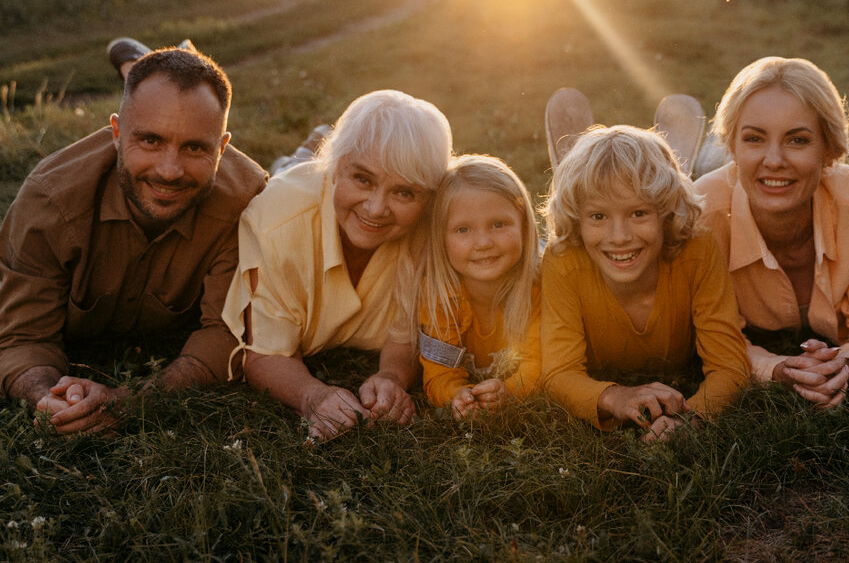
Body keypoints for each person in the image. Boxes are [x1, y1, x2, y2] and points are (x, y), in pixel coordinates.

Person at [0, 48, 267, 434]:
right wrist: (47, 397)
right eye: (151, 140)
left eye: (195, 147)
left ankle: (303, 149)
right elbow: (21, 335)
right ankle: (141, 61)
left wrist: (133, 401)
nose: (169, 171)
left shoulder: (247, 202)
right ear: (116, 132)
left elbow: (229, 335)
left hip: (270, 184)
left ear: (222, 148)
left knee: (293, 181)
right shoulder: (49, 201)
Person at [222, 90, 452, 440]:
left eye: (404, 192)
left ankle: (315, 149)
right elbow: (264, 354)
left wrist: (391, 376)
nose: (376, 208)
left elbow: (405, 330)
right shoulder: (275, 223)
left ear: (428, 197)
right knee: (283, 173)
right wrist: (313, 396)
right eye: (363, 178)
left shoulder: (430, 227)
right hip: (296, 190)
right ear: (335, 165)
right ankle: (307, 149)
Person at [695, 57, 849, 409]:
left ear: (830, 150)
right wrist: (778, 370)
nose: (774, 160)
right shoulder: (705, 216)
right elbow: (715, 337)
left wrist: (845, 367)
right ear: (732, 147)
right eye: (754, 139)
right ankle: (689, 168)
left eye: (797, 140)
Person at [540, 125, 750, 442]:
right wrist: (614, 397)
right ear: (577, 219)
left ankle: (703, 160)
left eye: (638, 213)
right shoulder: (563, 262)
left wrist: (691, 418)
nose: (620, 236)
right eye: (598, 216)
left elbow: (730, 365)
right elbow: (558, 373)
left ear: (665, 214)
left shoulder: (699, 250)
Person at [419, 155, 542, 417]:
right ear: (441, 238)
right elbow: (438, 372)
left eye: (499, 224)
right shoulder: (440, 297)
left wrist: (509, 392)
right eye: (463, 230)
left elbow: (541, 363)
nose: (483, 242)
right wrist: (456, 395)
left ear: (523, 226)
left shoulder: (540, 288)